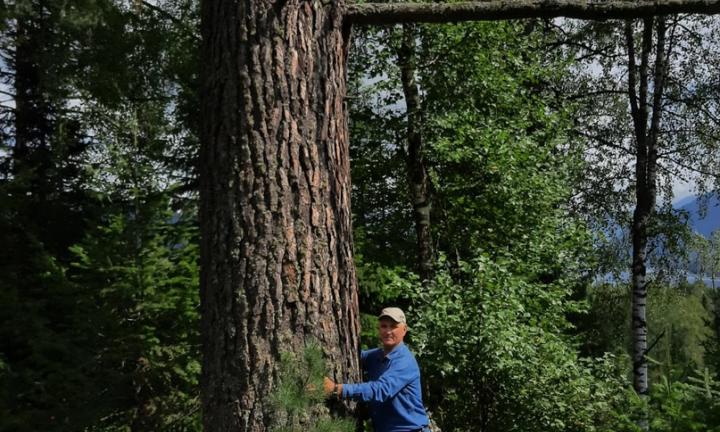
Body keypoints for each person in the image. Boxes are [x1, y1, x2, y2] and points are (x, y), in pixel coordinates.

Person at [323, 307, 430, 432]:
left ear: (404, 330)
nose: (388, 331)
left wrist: (337, 389)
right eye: (384, 326)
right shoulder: (377, 356)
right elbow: (354, 357)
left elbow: (381, 390)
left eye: (393, 326)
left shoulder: (405, 362)